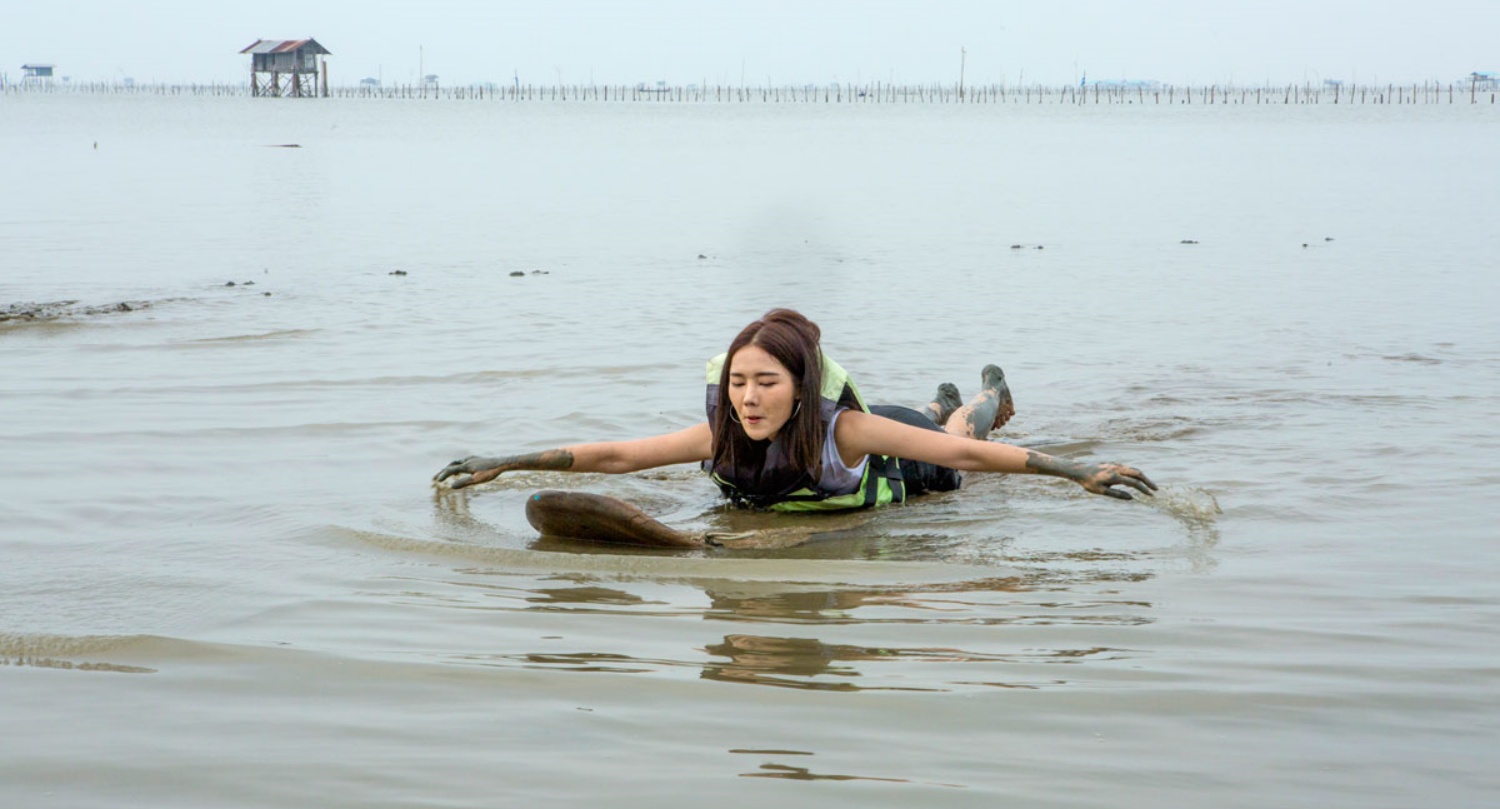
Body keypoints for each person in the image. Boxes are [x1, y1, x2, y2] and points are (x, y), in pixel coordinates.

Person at [433, 308, 1155, 507]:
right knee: (944, 423)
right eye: (740, 381)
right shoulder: (722, 433)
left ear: (801, 387)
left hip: (900, 447)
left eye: (767, 383)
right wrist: (506, 462)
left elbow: (966, 458)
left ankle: (988, 391)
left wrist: (1076, 471)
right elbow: (621, 455)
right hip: (876, 439)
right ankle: (948, 398)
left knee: (956, 430)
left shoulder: (847, 428)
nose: (749, 397)